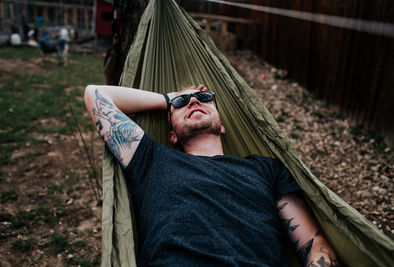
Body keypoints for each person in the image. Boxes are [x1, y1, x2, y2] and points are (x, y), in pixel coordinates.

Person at [84, 84, 339, 266]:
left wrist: (179, 101)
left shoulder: (265, 169)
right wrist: (168, 97)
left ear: (222, 125)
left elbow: (313, 244)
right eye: (182, 103)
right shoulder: (151, 160)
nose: (194, 101)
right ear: (172, 135)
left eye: (204, 97)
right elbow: (96, 94)